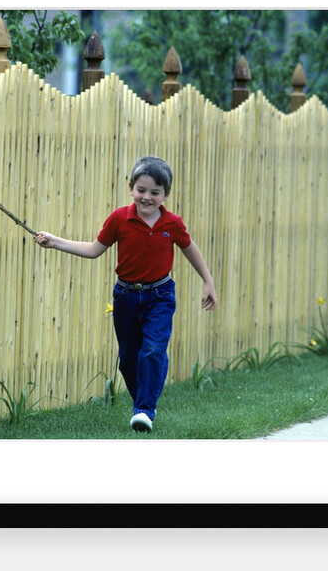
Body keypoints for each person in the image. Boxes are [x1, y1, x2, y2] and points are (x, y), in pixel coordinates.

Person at [33, 156, 217, 433]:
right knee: (129, 360)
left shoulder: (173, 224)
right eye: (141, 190)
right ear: (131, 188)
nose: (147, 197)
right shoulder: (120, 219)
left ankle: (144, 409)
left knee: (153, 350)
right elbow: (94, 250)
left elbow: (190, 249)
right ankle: (144, 402)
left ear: (165, 195)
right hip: (126, 297)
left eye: (155, 192)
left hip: (160, 295)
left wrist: (208, 281)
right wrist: (55, 242)